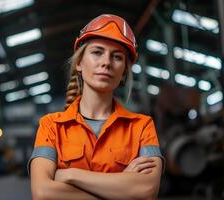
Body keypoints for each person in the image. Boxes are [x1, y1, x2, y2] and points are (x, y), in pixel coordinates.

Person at [29, 14, 163, 200]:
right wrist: (122, 186)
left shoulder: (142, 127)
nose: (106, 62)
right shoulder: (51, 126)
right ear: (78, 63)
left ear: (124, 71)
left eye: (117, 57)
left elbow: (147, 191)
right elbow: (43, 193)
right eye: (97, 52)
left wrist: (69, 175)